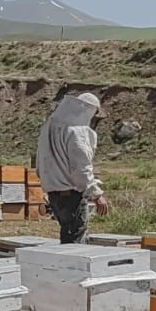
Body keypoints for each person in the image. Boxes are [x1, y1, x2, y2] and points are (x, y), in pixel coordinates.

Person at [35, 90, 109, 243]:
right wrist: (96, 195)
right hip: (70, 197)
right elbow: (81, 169)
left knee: (67, 238)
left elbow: (39, 164)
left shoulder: (50, 126)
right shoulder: (77, 133)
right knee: (75, 243)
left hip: (54, 194)